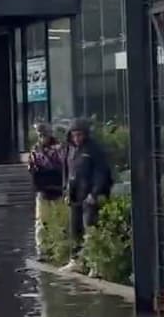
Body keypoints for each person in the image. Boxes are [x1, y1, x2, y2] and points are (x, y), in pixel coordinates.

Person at [62, 117, 113, 275]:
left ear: (85, 134)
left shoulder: (93, 149)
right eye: (74, 135)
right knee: (75, 229)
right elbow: (67, 171)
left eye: (80, 135)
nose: (77, 138)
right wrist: (66, 190)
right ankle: (76, 261)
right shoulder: (70, 149)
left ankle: (95, 264)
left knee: (90, 228)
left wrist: (95, 193)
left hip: (89, 196)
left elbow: (101, 172)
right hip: (74, 195)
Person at [28, 123, 63, 261]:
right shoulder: (35, 151)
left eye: (44, 135)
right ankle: (43, 251)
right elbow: (32, 169)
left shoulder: (59, 149)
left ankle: (60, 249)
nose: (42, 137)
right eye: (40, 135)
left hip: (58, 191)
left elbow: (62, 167)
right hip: (42, 192)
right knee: (42, 223)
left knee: (61, 222)